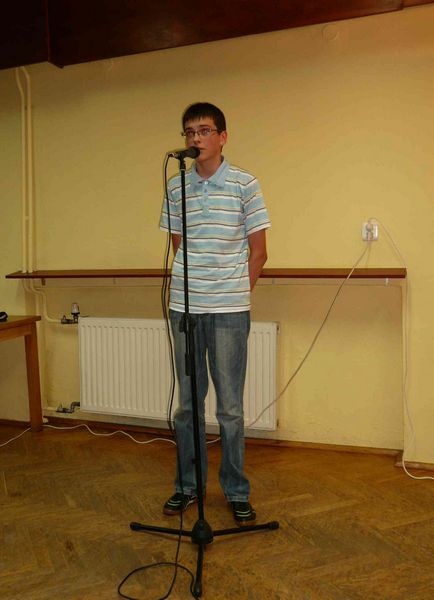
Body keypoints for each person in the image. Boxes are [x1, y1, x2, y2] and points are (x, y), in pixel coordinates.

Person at [159, 102, 270, 526]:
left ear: (223, 137)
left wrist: (234, 292)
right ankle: (188, 486)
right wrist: (197, 287)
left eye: (204, 131)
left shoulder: (245, 184)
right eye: (189, 132)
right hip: (185, 309)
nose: (195, 138)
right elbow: (179, 245)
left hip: (228, 312)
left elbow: (259, 252)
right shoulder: (176, 186)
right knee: (188, 406)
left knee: (230, 409)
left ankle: (236, 491)